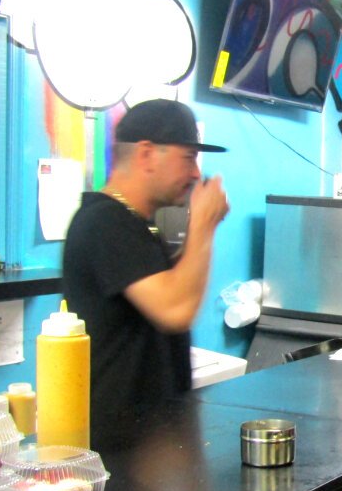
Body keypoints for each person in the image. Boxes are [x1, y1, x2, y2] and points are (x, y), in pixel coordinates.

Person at [63, 98, 230, 426]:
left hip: (155, 439)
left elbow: (172, 288)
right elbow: (175, 309)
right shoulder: (104, 223)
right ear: (146, 154)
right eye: (188, 157)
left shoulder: (135, 225)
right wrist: (203, 226)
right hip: (121, 445)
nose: (196, 173)